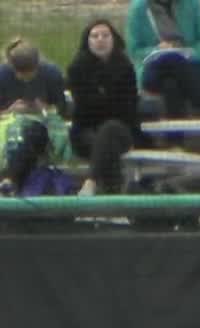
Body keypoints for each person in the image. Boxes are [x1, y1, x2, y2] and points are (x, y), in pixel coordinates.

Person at [66, 20, 145, 196]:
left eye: (105, 35)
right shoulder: (77, 68)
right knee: (105, 144)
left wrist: (101, 97)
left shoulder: (125, 67)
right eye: (95, 36)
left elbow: (128, 108)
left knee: (110, 130)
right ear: (87, 41)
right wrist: (108, 99)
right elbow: (85, 109)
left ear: (113, 39)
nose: (100, 40)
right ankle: (113, 193)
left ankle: (91, 182)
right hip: (86, 132)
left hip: (120, 130)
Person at [127, 0, 200, 119]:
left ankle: (176, 130)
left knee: (171, 84)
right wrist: (156, 50)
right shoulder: (138, 8)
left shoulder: (192, 3)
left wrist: (189, 53)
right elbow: (134, 49)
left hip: (190, 66)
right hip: (154, 69)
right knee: (170, 59)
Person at [0, 38, 70, 195]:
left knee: (32, 133)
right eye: (21, 75)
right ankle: (12, 182)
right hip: (8, 127)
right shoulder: (2, 75)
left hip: (42, 126)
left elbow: (62, 109)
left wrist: (45, 108)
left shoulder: (51, 73)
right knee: (17, 139)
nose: (26, 79)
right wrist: (10, 110)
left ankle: (10, 180)